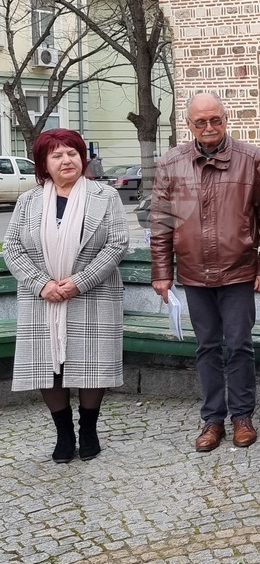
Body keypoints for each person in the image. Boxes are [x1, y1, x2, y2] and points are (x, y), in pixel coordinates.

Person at [149, 93, 260, 451]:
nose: (209, 127)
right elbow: (161, 223)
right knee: (206, 346)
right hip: (193, 272)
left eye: (215, 120)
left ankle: (242, 416)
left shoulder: (251, 159)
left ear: (226, 118)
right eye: (201, 121)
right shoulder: (171, 163)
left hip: (238, 270)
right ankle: (212, 419)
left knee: (239, 345)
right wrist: (161, 272)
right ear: (189, 124)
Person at [3, 129, 129, 463]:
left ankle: (88, 430)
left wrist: (79, 282)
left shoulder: (105, 196)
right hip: (42, 297)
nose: (66, 160)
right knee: (48, 364)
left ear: (82, 158)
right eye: (56, 155)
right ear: (44, 163)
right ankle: (64, 433)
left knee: (91, 362)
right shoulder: (29, 201)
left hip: (93, 294)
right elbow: (12, 247)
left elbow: (117, 243)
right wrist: (41, 283)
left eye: (72, 153)